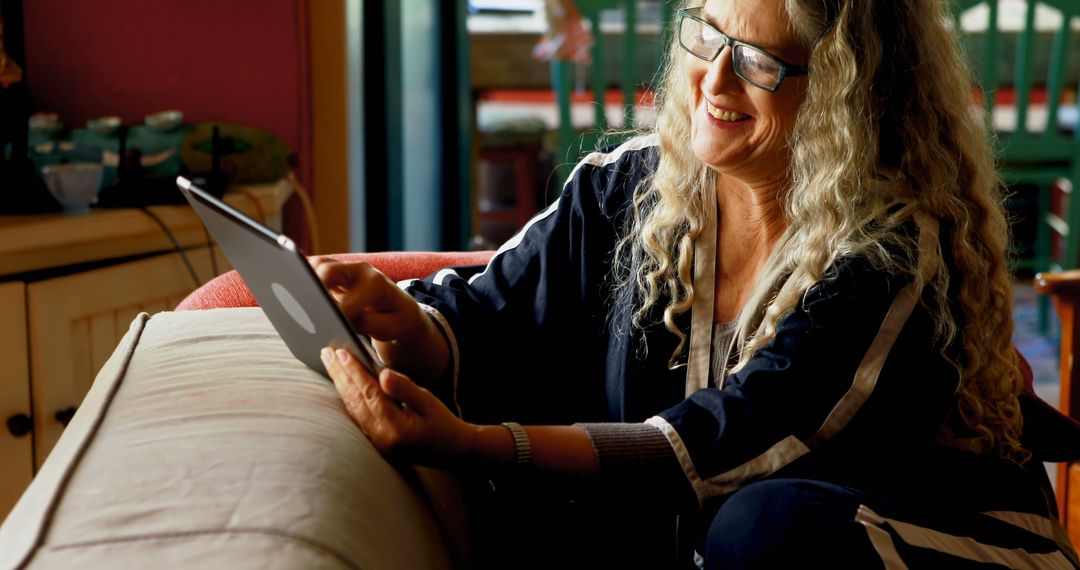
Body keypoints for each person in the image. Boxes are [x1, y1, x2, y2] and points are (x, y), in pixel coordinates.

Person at [313, 0, 1080, 567]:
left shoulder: (889, 252)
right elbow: (489, 314)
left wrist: (478, 446)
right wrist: (398, 319)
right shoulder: (622, 189)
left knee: (761, 525)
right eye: (708, 34)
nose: (713, 77)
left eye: (759, 59)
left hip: (932, 539)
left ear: (847, 93)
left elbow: (730, 440)